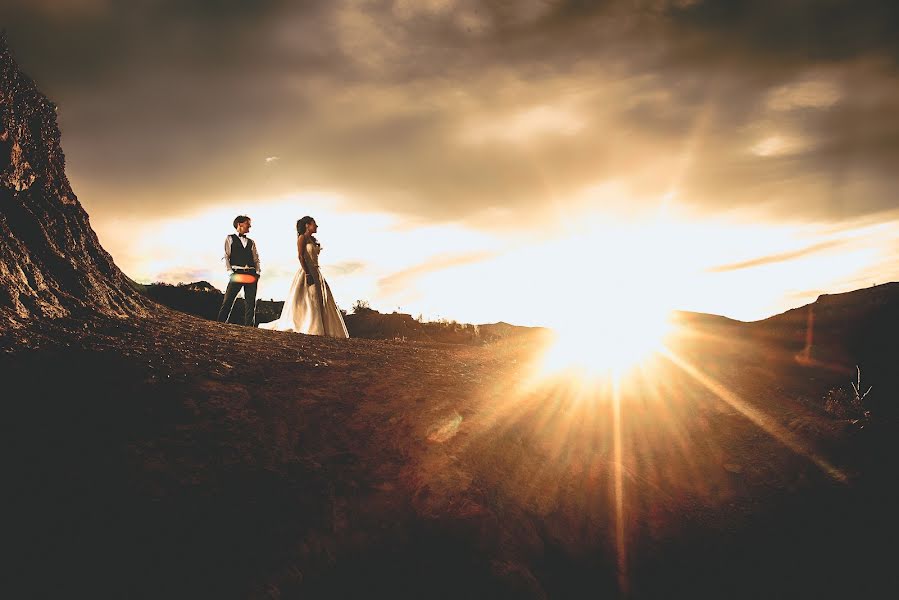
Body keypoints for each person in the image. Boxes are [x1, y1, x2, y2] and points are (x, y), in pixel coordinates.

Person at [259, 216, 349, 338]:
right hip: (307, 270)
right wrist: (307, 273)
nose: (316, 226)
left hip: (317, 272)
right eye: (314, 224)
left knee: (321, 298)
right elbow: (301, 256)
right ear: (307, 225)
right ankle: (311, 326)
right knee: (309, 297)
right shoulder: (302, 238)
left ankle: (324, 327)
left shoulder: (313, 239)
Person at [217, 215, 261, 326]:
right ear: (239, 224)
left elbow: (256, 258)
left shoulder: (251, 242)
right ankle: (220, 324)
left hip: (251, 273)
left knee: (251, 303)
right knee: (228, 301)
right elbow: (226, 256)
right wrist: (230, 272)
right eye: (247, 223)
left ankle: (249, 328)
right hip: (237, 273)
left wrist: (257, 272)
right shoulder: (230, 238)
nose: (250, 226)